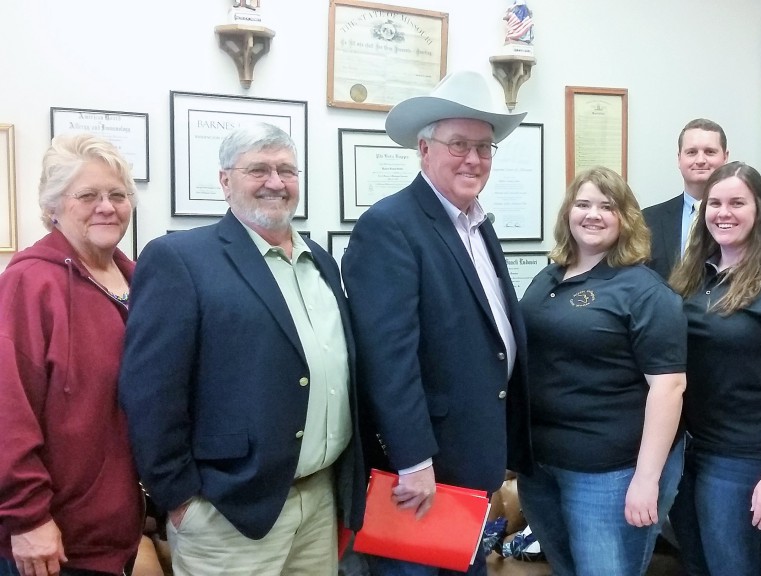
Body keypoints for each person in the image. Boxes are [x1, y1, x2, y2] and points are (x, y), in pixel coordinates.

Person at [118, 122, 365, 576]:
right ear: (225, 181)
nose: (276, 182)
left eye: (287, 170)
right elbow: (150, 391)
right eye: (259, 169)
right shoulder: (182, 259)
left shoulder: (322, 263)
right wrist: (179, 497)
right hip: (227, 511)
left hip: (320, 499)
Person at [341, 70, 532, 576]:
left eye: (484, 147)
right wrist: (413, 461)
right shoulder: (391, 225)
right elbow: (387, 358)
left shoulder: (476, 223)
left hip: (469, 466)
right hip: (424, 476)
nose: (473, 158)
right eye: (458, 144)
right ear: (424, 150)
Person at [517, 166, 686, 575]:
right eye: (583, 204)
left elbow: (669, 388)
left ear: (625, 218)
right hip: (540, 465)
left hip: (608, 473)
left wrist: (647, 480)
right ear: (567, 214)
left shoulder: (644, 291)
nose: (593, 215)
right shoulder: (549, 275)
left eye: (607, 207)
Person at [0, 133, 144, 576]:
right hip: (51, 541)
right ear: (53, 207)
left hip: (118, 530)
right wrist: (27, 518)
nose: (107, 206)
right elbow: (8, 411)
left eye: (117, 195)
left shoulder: (139, 280)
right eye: (88, 195)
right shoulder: (27, 284)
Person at [667, 161, 761, 576]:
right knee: (697, 567)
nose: (723, 212)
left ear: (760, 212)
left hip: (745, 461)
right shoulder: (694, 278)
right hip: (689, 452)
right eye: (714, 203)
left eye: (737, 202)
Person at [642, 118, 731, 280]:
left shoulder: (749, 216)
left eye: (710, 152)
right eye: (691, 152)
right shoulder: (648, 219)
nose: (700, 160)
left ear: (725, 157)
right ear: (679, 158)